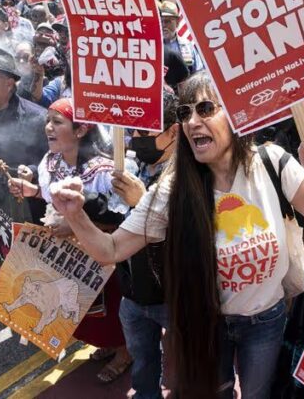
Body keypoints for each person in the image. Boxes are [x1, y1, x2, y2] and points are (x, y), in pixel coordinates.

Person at [48, 72, 304, 398]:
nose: (192, 121)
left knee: (257, 394)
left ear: (233, 114)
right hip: (205, 326)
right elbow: (111, 248)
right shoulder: (173, 190)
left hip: (266, 321)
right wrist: (74, 214)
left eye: (205, 109)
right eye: (185, 113)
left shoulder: (271, 161)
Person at [6, 98, 133, 383]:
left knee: (111, 307)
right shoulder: (51, 162)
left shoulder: (102, 171)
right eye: (47, 121)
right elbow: (51, 198)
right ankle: (110, 344)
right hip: (71, 257)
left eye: (57, 122)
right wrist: (32, 191)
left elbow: (119, 221)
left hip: (102, 257)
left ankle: (126, 352)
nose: (48, 127)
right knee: (84, 308)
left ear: (80, 130)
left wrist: (75, 226)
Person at [111, 90, 180, 399]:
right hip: (133, 292)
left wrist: (144, 204)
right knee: (143, 362)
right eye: (132, 130)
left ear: (173, 132)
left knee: (190, 365)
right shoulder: (131, 167)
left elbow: (192, 236)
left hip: (174, 296)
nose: (136, 137)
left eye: (144, 129)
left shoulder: (190, 174)